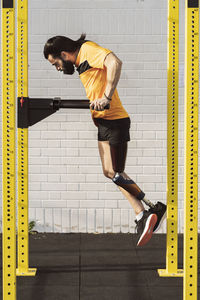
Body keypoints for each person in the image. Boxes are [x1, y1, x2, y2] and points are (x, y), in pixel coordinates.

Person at [43, 33, 166, 246]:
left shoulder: (88, 50)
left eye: (56, 63)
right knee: (109, 172)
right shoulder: (82, 61)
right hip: (103, 123)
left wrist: (107, 96)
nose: (58, 68)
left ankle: (150, 210)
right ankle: (143, 214)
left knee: (117, 172)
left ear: (63, 54)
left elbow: (115, 62)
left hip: (116, 121)